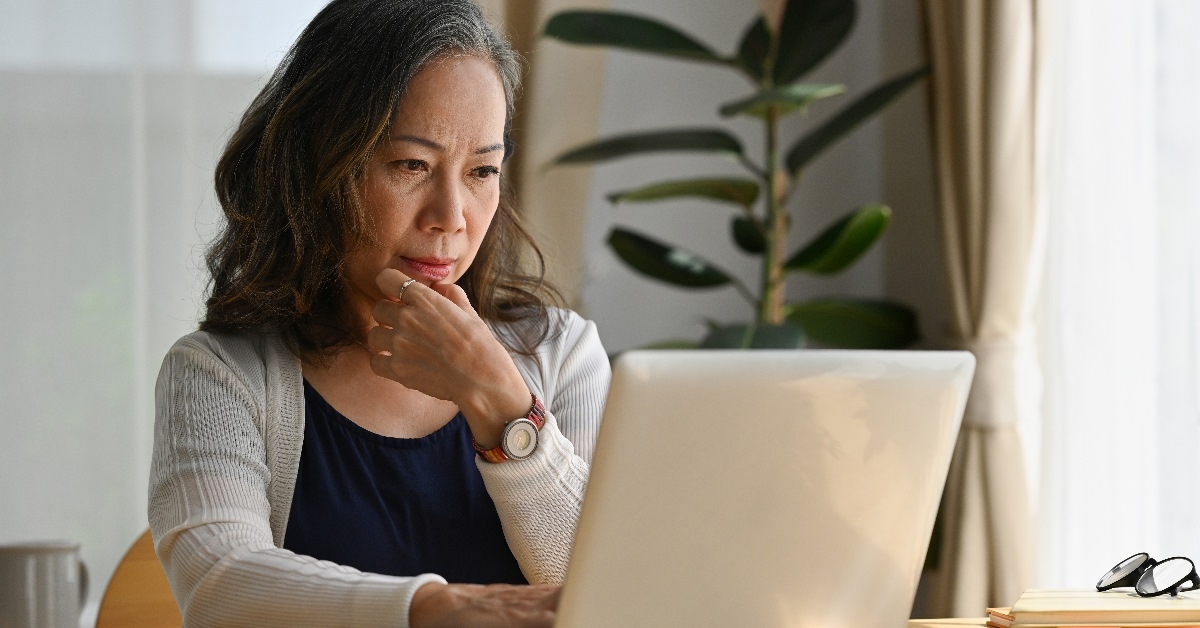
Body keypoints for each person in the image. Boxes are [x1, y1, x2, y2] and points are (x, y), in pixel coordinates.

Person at [147, 1, 610, 626]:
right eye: (410, 165)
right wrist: (435, 608)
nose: (451, 214)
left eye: (481, 171)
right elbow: (219, 582)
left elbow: (607, 585)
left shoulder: (562, 354)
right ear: (320, 168)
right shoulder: (220, 374)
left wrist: (503, 406)